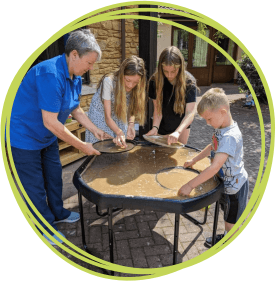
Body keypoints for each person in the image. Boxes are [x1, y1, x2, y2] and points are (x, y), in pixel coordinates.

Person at [10, 29, 109, 245]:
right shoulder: (50, 74)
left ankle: (59, 212)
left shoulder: (74, 75)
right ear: (74, 55)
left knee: (54, 177)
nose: (91, 68)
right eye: (89, 62)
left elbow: (76, 109)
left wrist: (95, 130)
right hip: (24, 137)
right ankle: (44, 226)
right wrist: (83, 146)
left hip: (47, 138)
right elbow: (51, 121)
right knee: (34, 186)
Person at [178, 88, 249, 248]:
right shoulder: (222, 128)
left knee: (231, 222)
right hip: (226, 184)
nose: (208, 123)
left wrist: (190, 185)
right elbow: (212, 146)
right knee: (226, 215)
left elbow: (215, 167)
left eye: (209, 119)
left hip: (235, 189)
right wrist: (194, 159)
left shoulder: (230, 136)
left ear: (223, 112)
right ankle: (226, 237)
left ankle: (228, 242)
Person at [85, 56, 147, 147]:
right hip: (101, 115)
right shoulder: (108, 82)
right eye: (128, 80)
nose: (130, 85)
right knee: (104, 146)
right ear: (122, 74)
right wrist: (119, 131)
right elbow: (108, 117)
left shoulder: (138, 85)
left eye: (135, 82)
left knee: (120, 144)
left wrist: (131, 125)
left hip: (118, 114)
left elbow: (132, 106)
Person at [145, 46, 199, 145]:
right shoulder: (155, 81)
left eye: (173, 71)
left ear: (180, 67)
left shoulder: (189, 82)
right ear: (161, 68)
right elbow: (158, 109)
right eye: (166, 71)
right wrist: (155, 128)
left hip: (182, 127)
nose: (169, 75)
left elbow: (190, 113)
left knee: (179, 156)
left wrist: (178, 132)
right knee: (161, 156)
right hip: (162, 126)